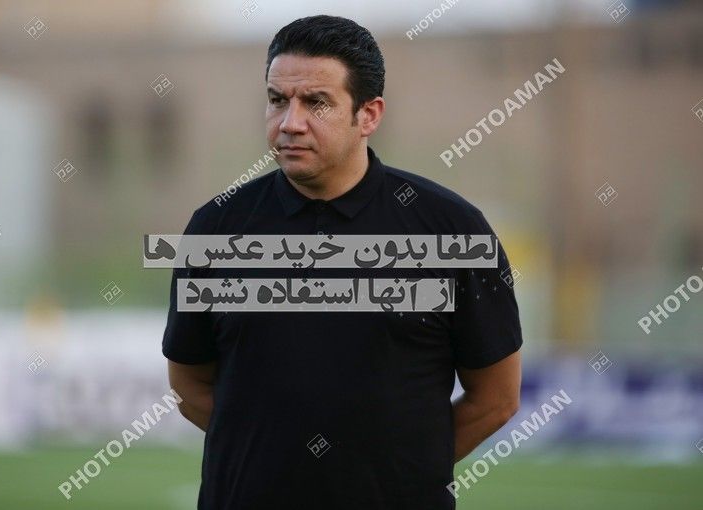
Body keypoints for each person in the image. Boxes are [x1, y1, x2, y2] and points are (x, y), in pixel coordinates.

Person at [162, 14, 522, 510]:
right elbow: (188, 385)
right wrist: (280, 466)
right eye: (277, 100)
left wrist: (396, 478)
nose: (290, 123)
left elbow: (496, 399)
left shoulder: (452, 229)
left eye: (316, 103)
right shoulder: (216, 228)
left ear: (368, 115)